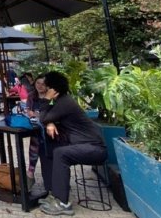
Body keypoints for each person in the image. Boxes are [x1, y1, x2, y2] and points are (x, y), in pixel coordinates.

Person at [38, 71, 107, 216]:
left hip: (94, 148)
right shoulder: (61, 100)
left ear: (53, 89)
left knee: (60, 153)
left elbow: (42, 117)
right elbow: (47, 118)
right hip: (81, 145)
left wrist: (45, 102)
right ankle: (54, 192)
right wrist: (50, 121)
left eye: (47, 86)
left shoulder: (65, 102)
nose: (44, 88)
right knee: (48, 149)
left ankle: (63, 203)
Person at [26, 74, 48, 186]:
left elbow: (49, 113)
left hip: (49, 128)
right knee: (35, 141)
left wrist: (38, 114)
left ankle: (32, 172)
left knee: (38, 143)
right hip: (35, 126)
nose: (40, 86)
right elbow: (28, 110)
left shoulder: (51, 97)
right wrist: (31, 113)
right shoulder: (32, 96)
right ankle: (30, 172)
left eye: (43, 84)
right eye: (38, 83)